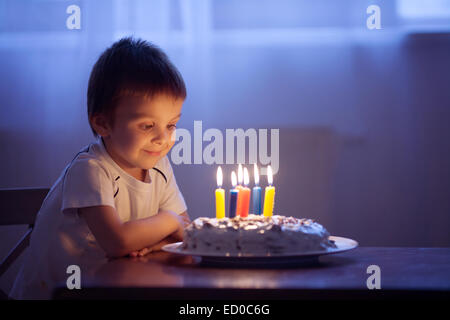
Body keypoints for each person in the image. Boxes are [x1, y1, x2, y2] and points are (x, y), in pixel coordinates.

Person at [10, 37, 190, 299]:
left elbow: (186, 234)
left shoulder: (159, 165)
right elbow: (118, 242)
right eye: (147, 126)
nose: (163, 139)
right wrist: (169, 221)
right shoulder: (90, 170)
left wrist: (156, 242)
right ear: (103, 124)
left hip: (109, 288)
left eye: (171, 125)